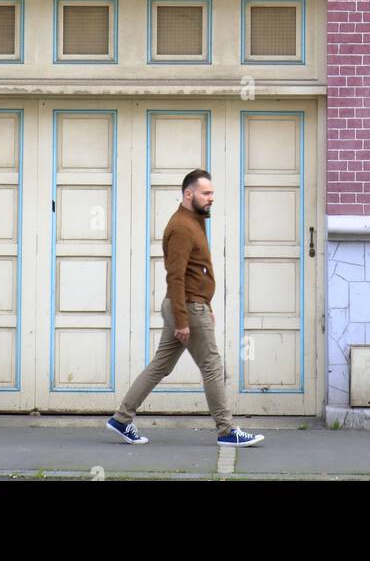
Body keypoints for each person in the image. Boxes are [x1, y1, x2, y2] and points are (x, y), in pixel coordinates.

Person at [107, 169, 264, 447]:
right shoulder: (181, 227)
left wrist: (207, 302)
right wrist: (183, 319)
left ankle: (121, 418)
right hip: (187, 307)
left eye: (212, 193)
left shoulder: (194, 220)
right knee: (212, 366)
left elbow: (196, 271)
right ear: (188, 194)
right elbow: (175, 276)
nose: (211, 198)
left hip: (191, 304)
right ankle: (227, 430)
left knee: (159, 366)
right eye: (206, 193)